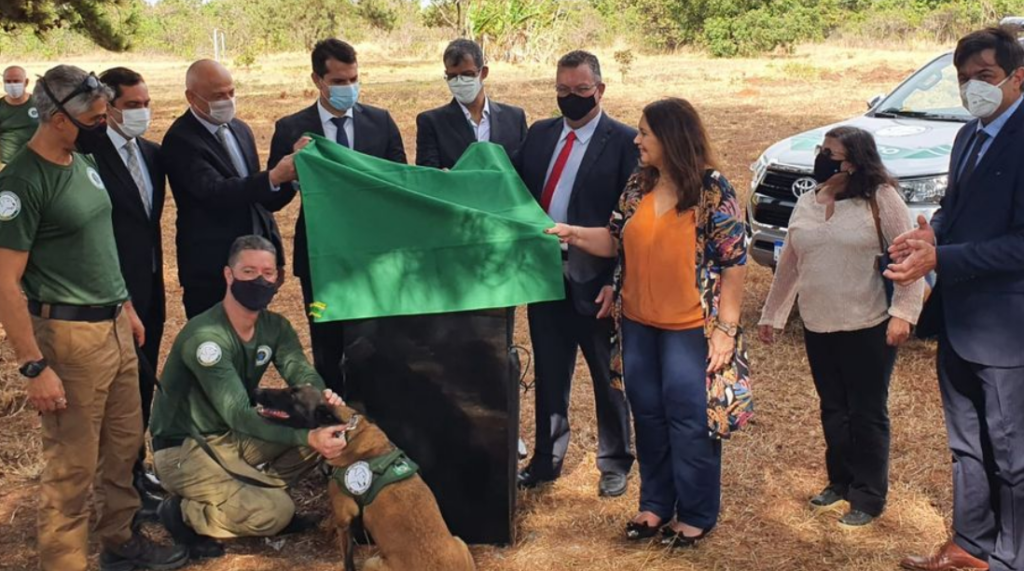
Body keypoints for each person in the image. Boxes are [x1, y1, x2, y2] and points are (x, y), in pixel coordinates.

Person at [0, 64, 186, 571]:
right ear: (59, 117)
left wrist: (123, 304)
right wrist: (34, 367)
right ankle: (64, 560)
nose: (104, 125)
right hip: (68, 339)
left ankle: (121, 541)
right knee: (71, 467)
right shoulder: (21, 182)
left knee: (123, 447)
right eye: (96, 117)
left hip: (114, 328)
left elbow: (100, 245)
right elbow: (4, 283)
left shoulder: (82, 163)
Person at [546, 97, 747, 546]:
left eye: (645, 134)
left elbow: (734, 263)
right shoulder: (639, 185)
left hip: (689, 328)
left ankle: (695, 513)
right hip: (637, 323)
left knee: (688, 419)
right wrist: (574, 233)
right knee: (649, 416)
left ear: (671, 138)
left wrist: (725, 329)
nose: (636, 140)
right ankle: (656, 505)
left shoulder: (712, 189)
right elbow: (616, 240)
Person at [886, 27, 1024, 571]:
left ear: (1018, 76)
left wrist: (943, 259)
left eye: (985, 78)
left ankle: (1012, 558)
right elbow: (956, 213)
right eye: (964, 80)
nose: (974, 90)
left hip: (1008, 325)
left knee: (1012, 454)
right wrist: (932, 235)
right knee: (967, 445)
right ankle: (970, 545)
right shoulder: (969, 135)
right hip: (959, 320)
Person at [758, 126, 924, 527]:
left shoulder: (881, 199)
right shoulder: (808, 201)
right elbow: (791, 263)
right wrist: (773, 314)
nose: (821, 158)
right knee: (833, 409)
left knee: (866, 411)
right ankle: (841, 481)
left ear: (852, 162)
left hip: (867, 324)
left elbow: (910, 258)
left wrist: (904, 313)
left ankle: (868, 495)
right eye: (821, 150)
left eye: (829, 152)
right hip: (818, 324)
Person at [150, 235, 349, 558]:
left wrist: (319, 397)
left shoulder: (275, 327)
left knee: (324, 428)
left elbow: (299, 370)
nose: (260, 280)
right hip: (184, 448)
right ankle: (186, 513)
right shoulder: (206, 338)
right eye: (248, 272)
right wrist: (308, 436)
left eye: (267, 273)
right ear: (229, 276)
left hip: (229, 439)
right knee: (277, 512)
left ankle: (248, 495)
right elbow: (238, 413)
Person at [514, 50, 636, 497]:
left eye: (581, 91)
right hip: (544, 274)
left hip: (596, 277)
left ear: (600, 90)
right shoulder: (541, 133)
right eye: (562, 90)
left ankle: (615, 461)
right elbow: (512, 188)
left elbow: (633, 221)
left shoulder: (624, 142)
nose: (571, 98)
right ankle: (546, 459)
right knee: (549, 370)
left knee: (607, 376)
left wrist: (615, 281)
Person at [269, 38, 406, 394]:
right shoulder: (291, 128)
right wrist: (291, 169)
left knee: (378, 345)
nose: (348, 88)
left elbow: (401, 186)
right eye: (339, 82)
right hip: (321, 258)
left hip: (375, 257)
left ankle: (379, 426)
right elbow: (274, 198)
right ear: (318, 80)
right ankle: (334, 427)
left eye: (353, 79)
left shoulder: (380, 122)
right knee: (327, 345)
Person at [75, 66, 169, 517]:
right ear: (108, 108)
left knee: (141, 384)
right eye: (132, 106)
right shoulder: (85, 153)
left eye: (146, 104)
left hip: (150, 285)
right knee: (114, 391)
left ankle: (136, 466)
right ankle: (115, 479)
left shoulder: (151, 153)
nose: (142, 112)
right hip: (107, 294)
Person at [163, 59, 301, 318]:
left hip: (251, 265)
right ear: (192, 97)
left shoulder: (240, 129)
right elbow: (216, 193)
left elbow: (258, 200)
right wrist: (272, 176)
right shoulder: (180, 139)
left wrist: (288, 179)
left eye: (231, 92)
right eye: (218, 96)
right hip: (211, 269)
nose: (227, 100)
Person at [416, 38, 527, 169]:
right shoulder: (431, 123)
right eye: (452, 76)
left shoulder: (514, 119)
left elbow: (524, 170)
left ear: (483, 72)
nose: (460, 81)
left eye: (467, 74)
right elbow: (428, 176)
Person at [0, 65, 39, 166]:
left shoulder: (39, 104)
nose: (12, 85)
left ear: (26, 82)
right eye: (8, 82)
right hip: (9, 164)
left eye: (16, 81)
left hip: (38, 161)